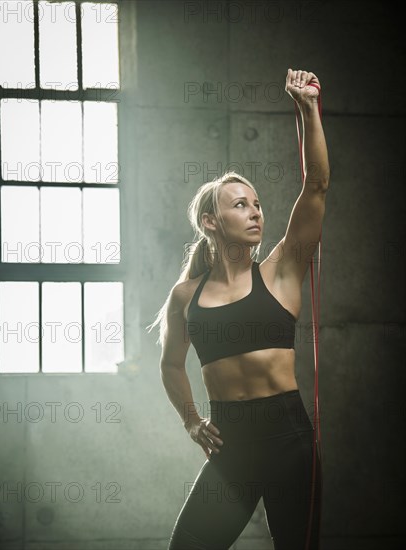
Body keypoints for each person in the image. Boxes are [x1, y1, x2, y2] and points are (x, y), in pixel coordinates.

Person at [147, 69, 330, 550]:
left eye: (256, 203)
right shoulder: (185, 297)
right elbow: (170, 366)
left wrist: (308, 108)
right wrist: (191, 418)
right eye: (239, 205)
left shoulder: (280, 273)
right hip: (232, 444)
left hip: (290, 439)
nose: (255, 212)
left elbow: (316, 187)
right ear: (211, 221)